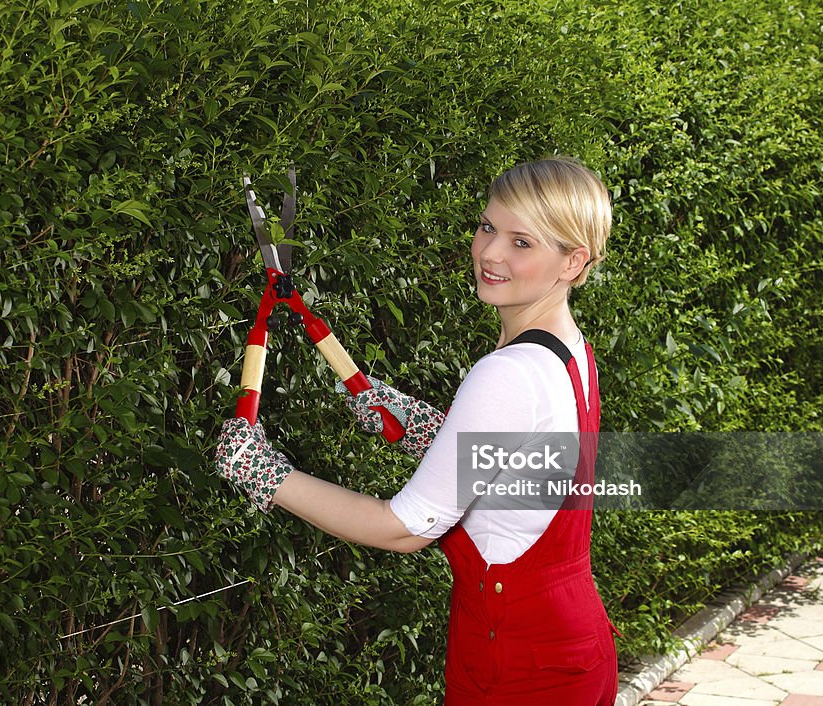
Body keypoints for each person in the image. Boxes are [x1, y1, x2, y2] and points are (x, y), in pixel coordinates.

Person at [215, 156, 618, 704]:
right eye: (487, 227)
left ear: (572, 262)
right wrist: (420, 423)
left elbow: (403, 529)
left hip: (517, 669)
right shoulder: (571, 352)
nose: (490, 254)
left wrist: (265, 474)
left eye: (521, 243)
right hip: (572, 648)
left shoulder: (507, 372)